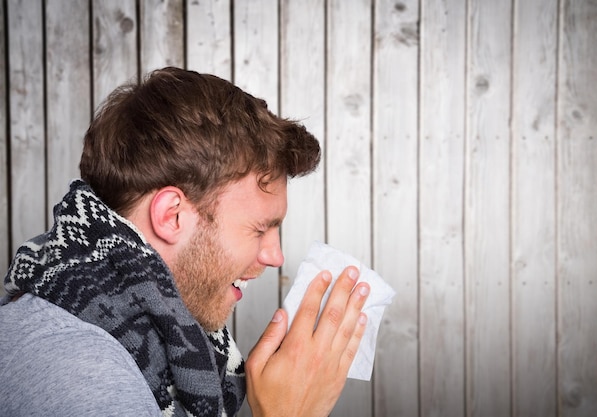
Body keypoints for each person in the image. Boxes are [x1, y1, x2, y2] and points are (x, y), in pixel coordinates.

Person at [0, 67, 370, 417]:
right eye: (259, 229)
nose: (275, 256)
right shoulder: (83, 375)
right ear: (172, 216)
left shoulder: (127, 338)